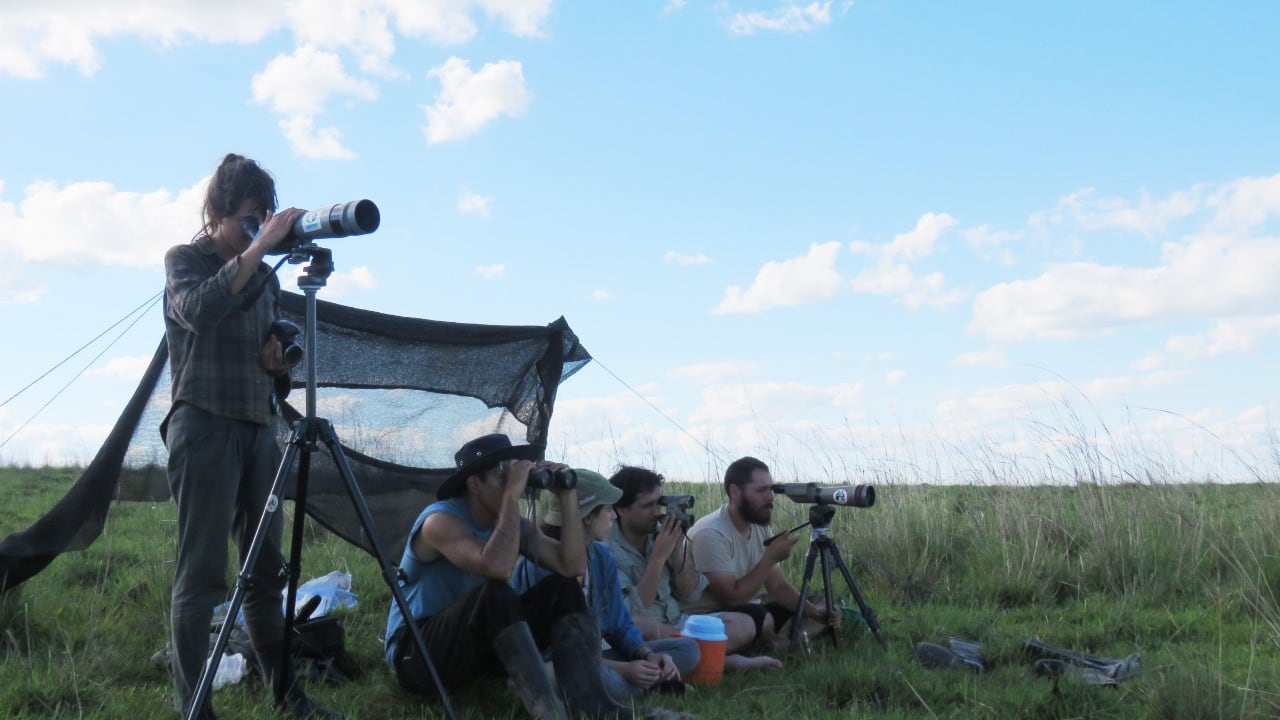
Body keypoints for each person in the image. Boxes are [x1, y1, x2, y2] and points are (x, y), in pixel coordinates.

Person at [162, 153, 334, 719]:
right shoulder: (186, 259)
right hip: (205, 425)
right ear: (215, 213)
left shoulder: (264, 278)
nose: (255, 231)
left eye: (264, 219)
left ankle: (286, 695)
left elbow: (272, 367)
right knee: (204, 574)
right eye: (246, 220)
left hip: (260, 428)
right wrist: (261, 247)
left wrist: (277, 365)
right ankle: (197, 707)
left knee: (265, 571)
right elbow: (197, 313)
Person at [384, 434, 650, 719]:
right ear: (474, 484)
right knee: (495, 592)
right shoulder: (439, 522)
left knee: (562, 586)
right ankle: (548, 712)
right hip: (417, 655)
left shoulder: (515, 527)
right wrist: (511, 495)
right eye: (503, 477)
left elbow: (571, 566)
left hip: (475, 650)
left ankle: (594, 706)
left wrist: (567, 496)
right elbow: (497, 567)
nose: (517, 484)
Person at [513, 469, 700, 702]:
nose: (614, 515)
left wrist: (648, 655)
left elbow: (620, 625)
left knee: (688, 649)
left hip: (598, 656)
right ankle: (647, 685)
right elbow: (556, 652)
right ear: (588, 516)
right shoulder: (539, 566)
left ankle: (645, 680)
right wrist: (624, 670)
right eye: (609, 508)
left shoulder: (601, 556)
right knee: (607, 680)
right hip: (557, 662)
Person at [605, 467, 782, 672]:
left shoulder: (659, 535)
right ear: (622, 509)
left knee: (743, 623)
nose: (657, 512)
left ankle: (690, 656)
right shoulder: (608, 549)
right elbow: (635, 610)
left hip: (676, 624)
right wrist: (658, 559)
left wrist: (677, 551)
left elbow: (689, 593)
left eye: (659, 503)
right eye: (648, 506)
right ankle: (721, 661)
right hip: (642, 633)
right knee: (642, 626)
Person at [685, 457, 839, 652]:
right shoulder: (711, 533)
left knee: (825, 605)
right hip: (714, 617)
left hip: (747, 605)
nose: (770, 498)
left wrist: (815, 613)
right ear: (735, 492)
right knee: (760, 616)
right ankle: (776, 642)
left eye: (770, 490)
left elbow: (778, 586)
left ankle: (780, 644)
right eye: (761, 491)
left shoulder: (758, 526)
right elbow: (731, 599)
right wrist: (770, 559)